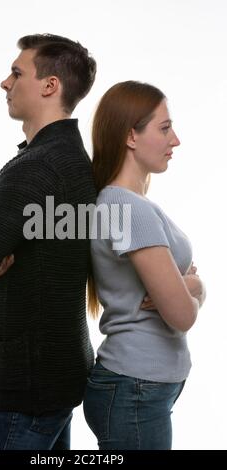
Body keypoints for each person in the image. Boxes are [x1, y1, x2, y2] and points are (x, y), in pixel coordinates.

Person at [0, 34, 97, 450]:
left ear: (50, 86)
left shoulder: (39, 168)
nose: (5, 83)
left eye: (16, 73)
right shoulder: (69, 157)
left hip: (25, 387)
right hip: (52, 375)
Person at [83, 81, 206, 450]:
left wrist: (190, 290)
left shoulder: (125, 203)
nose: (176, 140)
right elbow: (182, 316)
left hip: (138, 386)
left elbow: (180, 301)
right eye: (164, 128)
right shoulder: (130, 209)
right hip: (135, 388)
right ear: (131, 137)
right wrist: (196, 289)